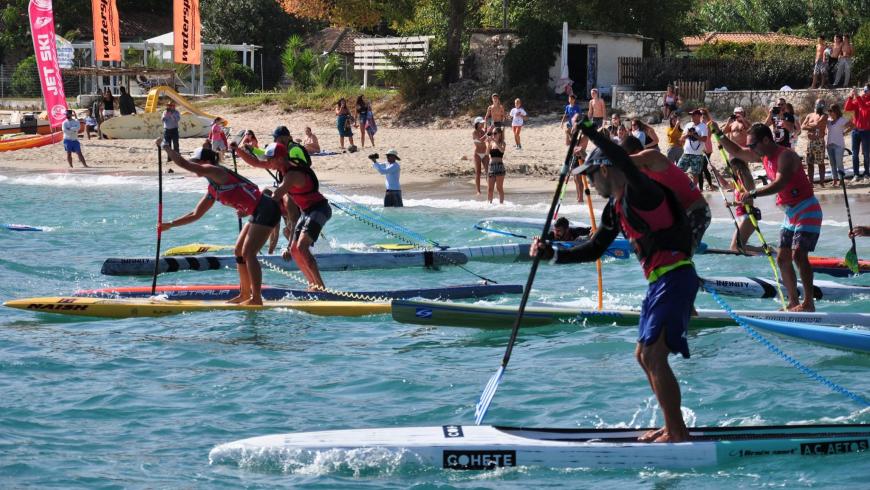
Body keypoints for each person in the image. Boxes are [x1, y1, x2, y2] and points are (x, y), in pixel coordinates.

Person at [532, 120, 698, 443]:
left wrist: (592, 133)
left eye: (591, 176)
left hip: (676, 278)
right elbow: (594, 248)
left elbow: (622, 160)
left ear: (605, 171)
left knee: (653, 356)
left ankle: (678, 433)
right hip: (658, 284)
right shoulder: (615, 210)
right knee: (642, 356)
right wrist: (551, 254)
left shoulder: (641, 190)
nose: (591, 185)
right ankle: (672, 426)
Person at [156, 143, 281, 305]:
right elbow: (196, 214)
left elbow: (185, 164)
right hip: (257, 212)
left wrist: (166, 147)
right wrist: (170, 224)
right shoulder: (213, 189)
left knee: (249, 253)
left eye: (197, 162)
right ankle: (244, 294)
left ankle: (256, 298)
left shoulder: (217, 171)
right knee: (239, 251)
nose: (195, 166)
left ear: (207, 161)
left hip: (267, 209)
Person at [716, 123, 821, 312]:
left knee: (799, 255)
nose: (751, 149)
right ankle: (793, 302)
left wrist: (753, 193)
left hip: (807, 209)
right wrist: (717, 133)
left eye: (753, 145)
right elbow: (738, 151)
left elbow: (780, 183)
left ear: (766, 140)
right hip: (790, 214)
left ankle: (808, 303)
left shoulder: (786, 156)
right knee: (782, 259)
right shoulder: (762, 155)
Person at [232, 127, 331, 289]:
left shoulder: (291, 175)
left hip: (319, 209)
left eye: (270, 160)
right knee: (294, 249)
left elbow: (276, 196)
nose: (268, 163)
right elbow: (256, 162)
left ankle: (321, 288)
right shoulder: (281, 166)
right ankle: (312, 284)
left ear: (279, 158)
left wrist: (249, 209)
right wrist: (238, 151)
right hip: (306, 212)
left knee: (301, 247)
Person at [621, 135, 710, 253]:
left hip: (697, 212)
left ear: (636, 152)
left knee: (679, 256)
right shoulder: (642, 174)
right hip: (677, 216)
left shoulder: (652, 156)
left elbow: (623, 161)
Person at [719, 157, 764, 254]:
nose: (730, 171)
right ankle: (763, 250)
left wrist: (732, 203)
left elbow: (748, 201)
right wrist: (716, 173)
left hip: (749, 216)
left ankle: (766, 251)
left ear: (736, 168)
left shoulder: (746, 180)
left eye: (731, 168)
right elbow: (726, 186)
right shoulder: (738, 181)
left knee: (736, 247)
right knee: (736, 247)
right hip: (740, 216)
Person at [845, 86, 870, 183]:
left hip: (866, 131)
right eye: (863, 90)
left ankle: (867, 173)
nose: (864, 92)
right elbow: (847, 108)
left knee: (866, 154)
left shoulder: (867, 101)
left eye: (866, 90)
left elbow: (864, 108)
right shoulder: (859, 100)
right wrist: (851, 97)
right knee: (855, 154)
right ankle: (856, 174)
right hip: (856, 131)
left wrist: (857, 96)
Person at [677, 109, 708, 187]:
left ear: (699, 116)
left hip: (697, 154)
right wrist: (688, 134)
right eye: (691, 115)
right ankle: (682, 185)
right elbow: (681, 139)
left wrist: (694, 135)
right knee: (678, 170)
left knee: (695, 173)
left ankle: (693, 189)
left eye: (694, 115)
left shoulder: (703, 126)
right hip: (686, 153)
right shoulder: (688, 125)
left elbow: (704, 139)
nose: (692, 117)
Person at [801, 99, 828, 187]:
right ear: (815, 104)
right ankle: (811, 182)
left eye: (822, 104)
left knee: (820, 162)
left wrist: (810, 124)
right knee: (809, 162)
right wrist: (812, 125)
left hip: (819, 142)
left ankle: (822, 182)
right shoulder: (810, 115)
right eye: (819, 104)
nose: (821, 105)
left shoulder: (824, 115)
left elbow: (817, 124)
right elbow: (803, 126)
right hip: (810, 142)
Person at [827, 104, 851, 187]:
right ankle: (834, 180)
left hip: (839, 145)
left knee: (839, 163)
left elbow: (852, 125)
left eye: (830, 111)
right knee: (832, 164)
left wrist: (845, 132)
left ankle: (841, 180)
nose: (829, 113)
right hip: (829, 144)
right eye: (829, 111)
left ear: (835, 111)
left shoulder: (841, 120)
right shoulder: (828, 120)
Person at [487, 127, 507, 204]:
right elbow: (487, 153)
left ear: (499, 134)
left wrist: (496, 142)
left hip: (499, 167)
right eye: (492, 133)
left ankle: (501, 205)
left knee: (499, 188)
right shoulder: (491, 143)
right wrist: (488, 144)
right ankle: (489, 204)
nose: (493, 135)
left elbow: (502, 150)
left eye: (495, 133)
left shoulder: (503, 143)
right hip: (491, 166)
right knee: (490, 189)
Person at [472, 117, 489, 195]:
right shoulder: (474, 132)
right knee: (478, 173)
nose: (482, 124)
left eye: (482, 123)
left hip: (485, 153)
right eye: (481, 123)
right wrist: (488, 131)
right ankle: (478, 191)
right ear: (477, 124)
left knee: (488, 172)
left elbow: (487, 138)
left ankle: (490, 188)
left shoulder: (483, 131)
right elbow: (481, 140)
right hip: (477, 154)